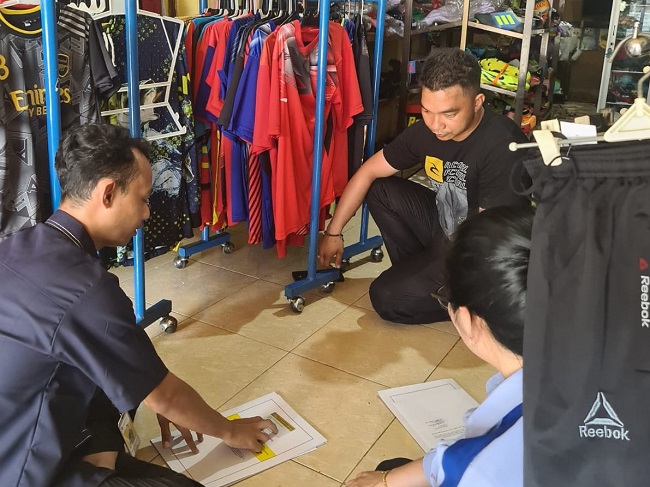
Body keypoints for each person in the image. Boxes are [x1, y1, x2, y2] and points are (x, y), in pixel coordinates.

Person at [0, 124, 278, 487]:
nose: (147, 213)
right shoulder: (87, 289)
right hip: (20, 471)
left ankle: (99, 448)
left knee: (127, 386)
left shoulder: (17, 246)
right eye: (143, 199)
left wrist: (148, 395)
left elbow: (139, 374)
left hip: (19, 420)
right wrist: (229, 430)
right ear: (108, 193)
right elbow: (166, 395)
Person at [317, 47, 529, 324]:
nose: (436, 125)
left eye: (449, 114)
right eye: (427, 111)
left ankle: (470, 301)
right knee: (380, 188)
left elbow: (492, 239)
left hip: (482, 250)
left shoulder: (502, 144)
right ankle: (422, 274)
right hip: (447, 229)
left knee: (386, 297)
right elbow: (368, 172)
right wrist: (333, 233)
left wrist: (455, 278)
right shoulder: (425, 131)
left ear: (478, 102)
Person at [346, 205, 533, 487]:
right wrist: (387, 480)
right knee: (394, 471)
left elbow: (469, 464)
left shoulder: (477, 470)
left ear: (467, 320)